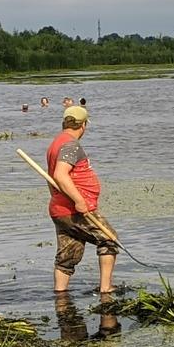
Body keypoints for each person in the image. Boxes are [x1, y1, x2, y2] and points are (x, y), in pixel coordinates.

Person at [47, 104, 114, 297]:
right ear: (83, 125)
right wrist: (79, 201)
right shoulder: (70, 144)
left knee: (67, 256)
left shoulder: (56, 143)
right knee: (109, 240)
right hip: (76, 209)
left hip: (61, 208)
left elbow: (51, 178)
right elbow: (60, 175)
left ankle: (60, 296)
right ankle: (106, 290)